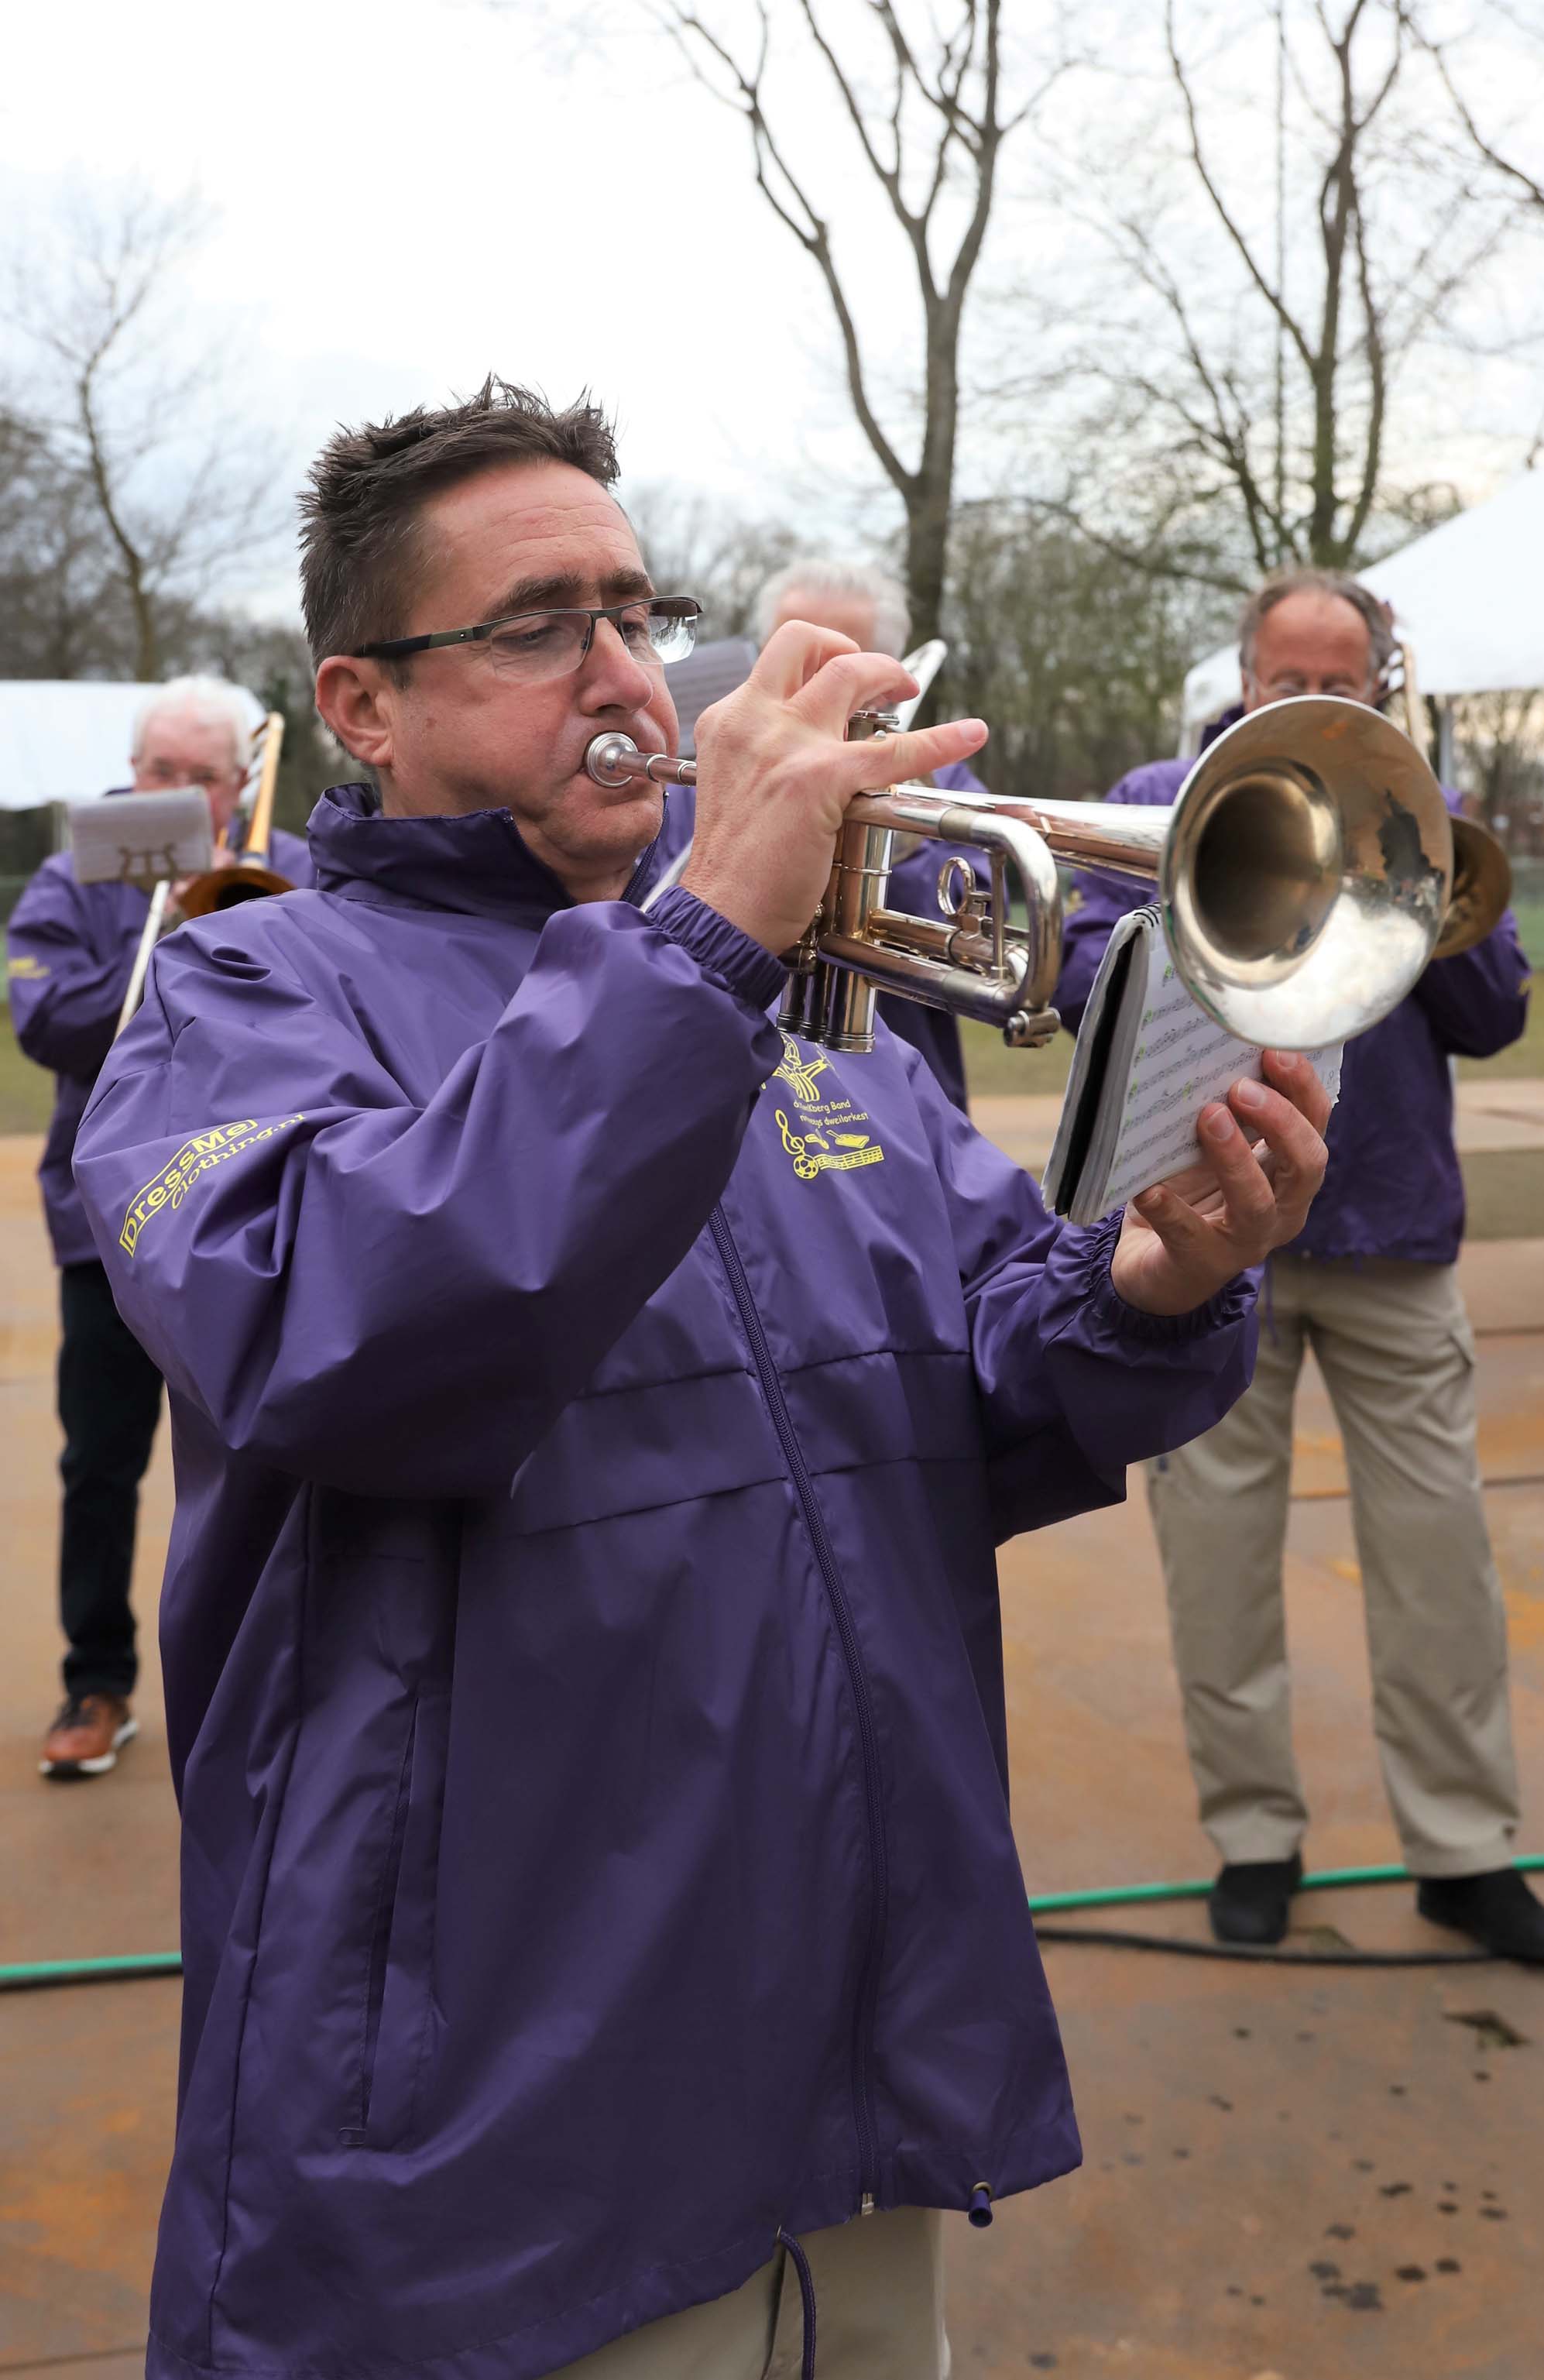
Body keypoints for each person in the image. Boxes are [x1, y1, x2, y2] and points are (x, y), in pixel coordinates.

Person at [74, 379, 1331, 2380]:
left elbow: (980, 1393)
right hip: (494, 2145)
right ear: (366, 703)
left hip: (853, 2073)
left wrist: (1157, 1284)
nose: (629, 678)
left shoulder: (798, 1025)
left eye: (639, 614)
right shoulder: (245, 990)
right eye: (539, 625)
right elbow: (343, 1342)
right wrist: (708, 940)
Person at [1056, 567, 1544, 1967]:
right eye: (1286, 682)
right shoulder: (1166, 786)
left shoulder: (1420, 809)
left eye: (1338, 682)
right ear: (1243, 677)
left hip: (1390, 1225)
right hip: (1214, 1233)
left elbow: (1496, 1010)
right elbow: (1071, 982)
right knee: (1214, 1554)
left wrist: (1415, 889)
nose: (1309, 700)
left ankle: (1463, 1849)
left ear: (1379, 680)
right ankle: (1252, 1838)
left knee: (1439, 1556)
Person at [7, 677, 313, 1780]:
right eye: (160, 774)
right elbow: (45, 1019)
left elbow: (313, 1020)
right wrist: (173, 936)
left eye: (203, 777)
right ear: (131, 774)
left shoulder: (295, 869)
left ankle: (274, 1677)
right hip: (107, 1222)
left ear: (239, 785)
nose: (179, 793)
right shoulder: (71, 875)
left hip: (250, 1213)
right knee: (101, 1463)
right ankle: (97, 1681)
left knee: (268, 1461)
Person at [756, 558, 990, 1112]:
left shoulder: (944, 781)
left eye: (838, 670)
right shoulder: (705, 789)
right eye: (793, 665)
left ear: (887, 681)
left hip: (912, 1111)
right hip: (750, 1110)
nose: (811, 693)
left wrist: (880, 835)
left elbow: (980, 935)